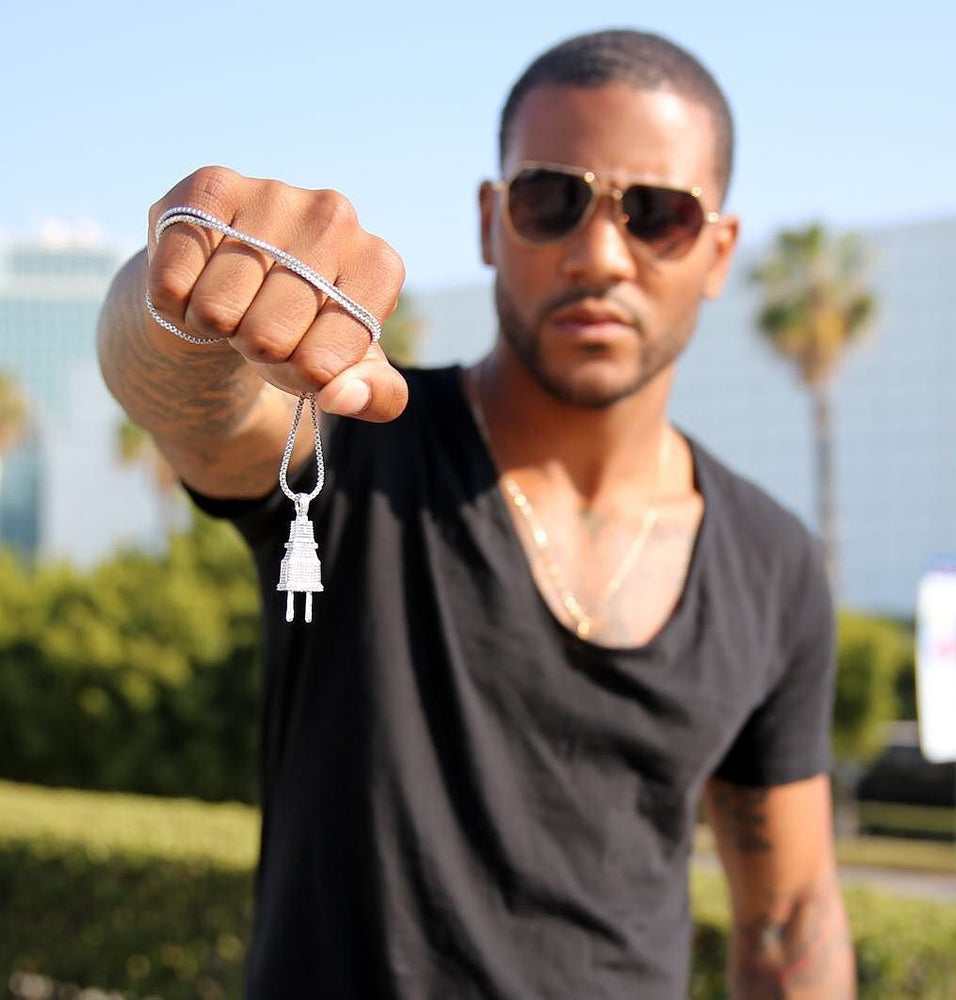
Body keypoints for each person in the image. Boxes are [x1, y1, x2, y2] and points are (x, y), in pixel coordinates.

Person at [98, 28, 855, 1000]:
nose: (599, 255)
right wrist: (187, 297)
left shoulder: (773, 562)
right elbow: (181, 401)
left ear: (717, 251)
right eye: (552, 200)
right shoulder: (359, 440)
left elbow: (790, 917)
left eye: (657, 214)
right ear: (492, 222)